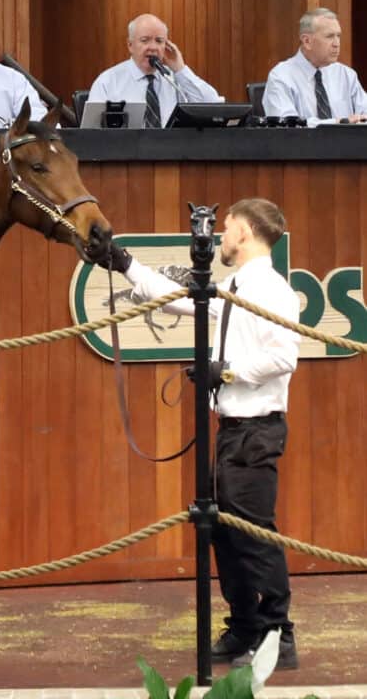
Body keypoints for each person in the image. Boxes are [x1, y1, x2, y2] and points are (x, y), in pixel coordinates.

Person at [106, 199, 300, 670]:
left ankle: (279, 634)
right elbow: (180, 298)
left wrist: (225, 372)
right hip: (234, 431)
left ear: (248, 232)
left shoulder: (272, 290)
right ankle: (246, 627)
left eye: (228, 228)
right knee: (225, 535)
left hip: (255, 429)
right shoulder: (236, 286)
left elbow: (284, 357)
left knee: (253, 535)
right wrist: (125, 264)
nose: (220, 237)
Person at [87, 13, 220, 127]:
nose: (153, 47)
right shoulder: (109, 81)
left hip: (172, 153)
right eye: (145, 40)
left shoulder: (174, 80)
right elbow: (92, 130)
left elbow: (213, 106)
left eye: (159, 41)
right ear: (130, 45)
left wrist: (180, 69)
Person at [263, 7, 367, 125]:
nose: (336, 44)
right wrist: (337, 123)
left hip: (349, 142)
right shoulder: (281, 76)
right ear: (307, 41)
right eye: (329, 36)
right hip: (302, 143)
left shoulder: (346, 74)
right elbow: (287, 126)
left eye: (338, 36)